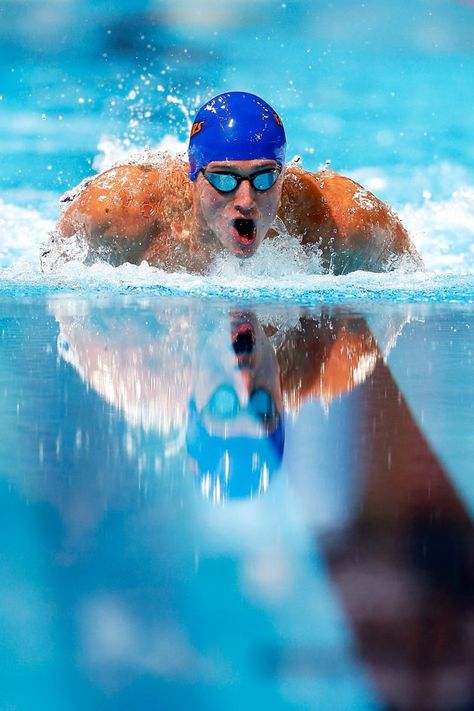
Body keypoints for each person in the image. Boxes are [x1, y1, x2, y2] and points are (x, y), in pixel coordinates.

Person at [42, 91, 422, 274]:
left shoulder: (344, 217)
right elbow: (51, 267)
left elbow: (414, 279)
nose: (246, 200)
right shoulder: (120, 210)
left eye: (264, 178)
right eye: (224, 179)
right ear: (194, 174)